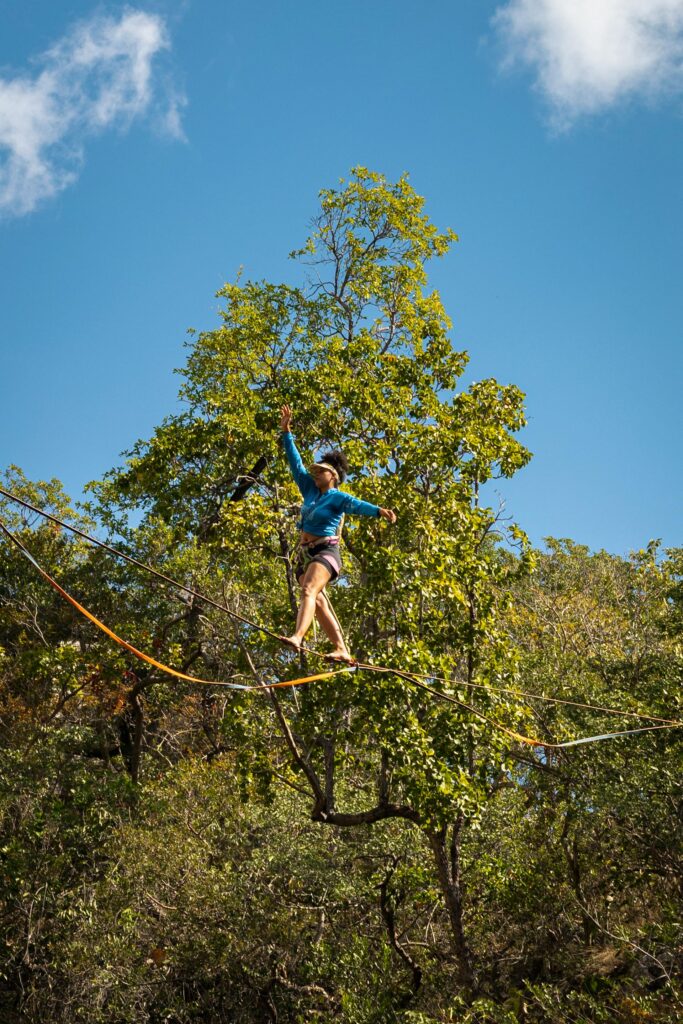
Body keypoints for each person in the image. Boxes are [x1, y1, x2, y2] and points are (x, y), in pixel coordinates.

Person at [280, 404, 396, 662]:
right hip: (305, 554)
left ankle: (297, 637)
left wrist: (379, 511)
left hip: (325, 551)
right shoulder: (310, 491)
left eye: (319, 471)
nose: (314, 474)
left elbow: (357, 505)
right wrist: (287, 432)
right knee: (317, 600)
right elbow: (296, 464)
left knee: (309, 590)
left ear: (332, 476)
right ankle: (341, 649)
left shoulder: (336, 497)